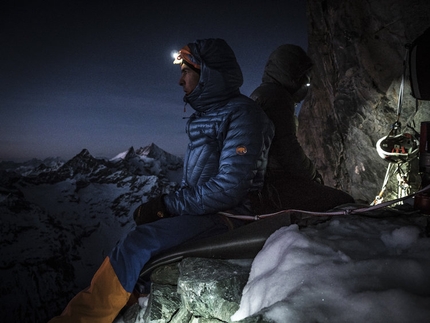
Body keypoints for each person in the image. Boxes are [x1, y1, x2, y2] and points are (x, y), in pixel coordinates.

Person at [48, 38, 274, 322]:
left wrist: (168, 204)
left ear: (208, 74)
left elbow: (230, 187)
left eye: (186, 72)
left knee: (137, 242)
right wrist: (168, 207)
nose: (180, 81)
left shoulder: (242, 115)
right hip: (208, 211)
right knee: (141, 237)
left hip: (229, 215)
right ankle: (124, 303)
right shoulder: (210, 116)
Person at [251, 44, 354, 212]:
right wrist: (312, 175)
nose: (308, 80)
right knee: (344, 202)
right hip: (275, 185)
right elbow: (286, 147)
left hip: (264, 182)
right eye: (305, 75)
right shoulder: (277, 97)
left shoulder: (262, 93)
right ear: (293, 73)